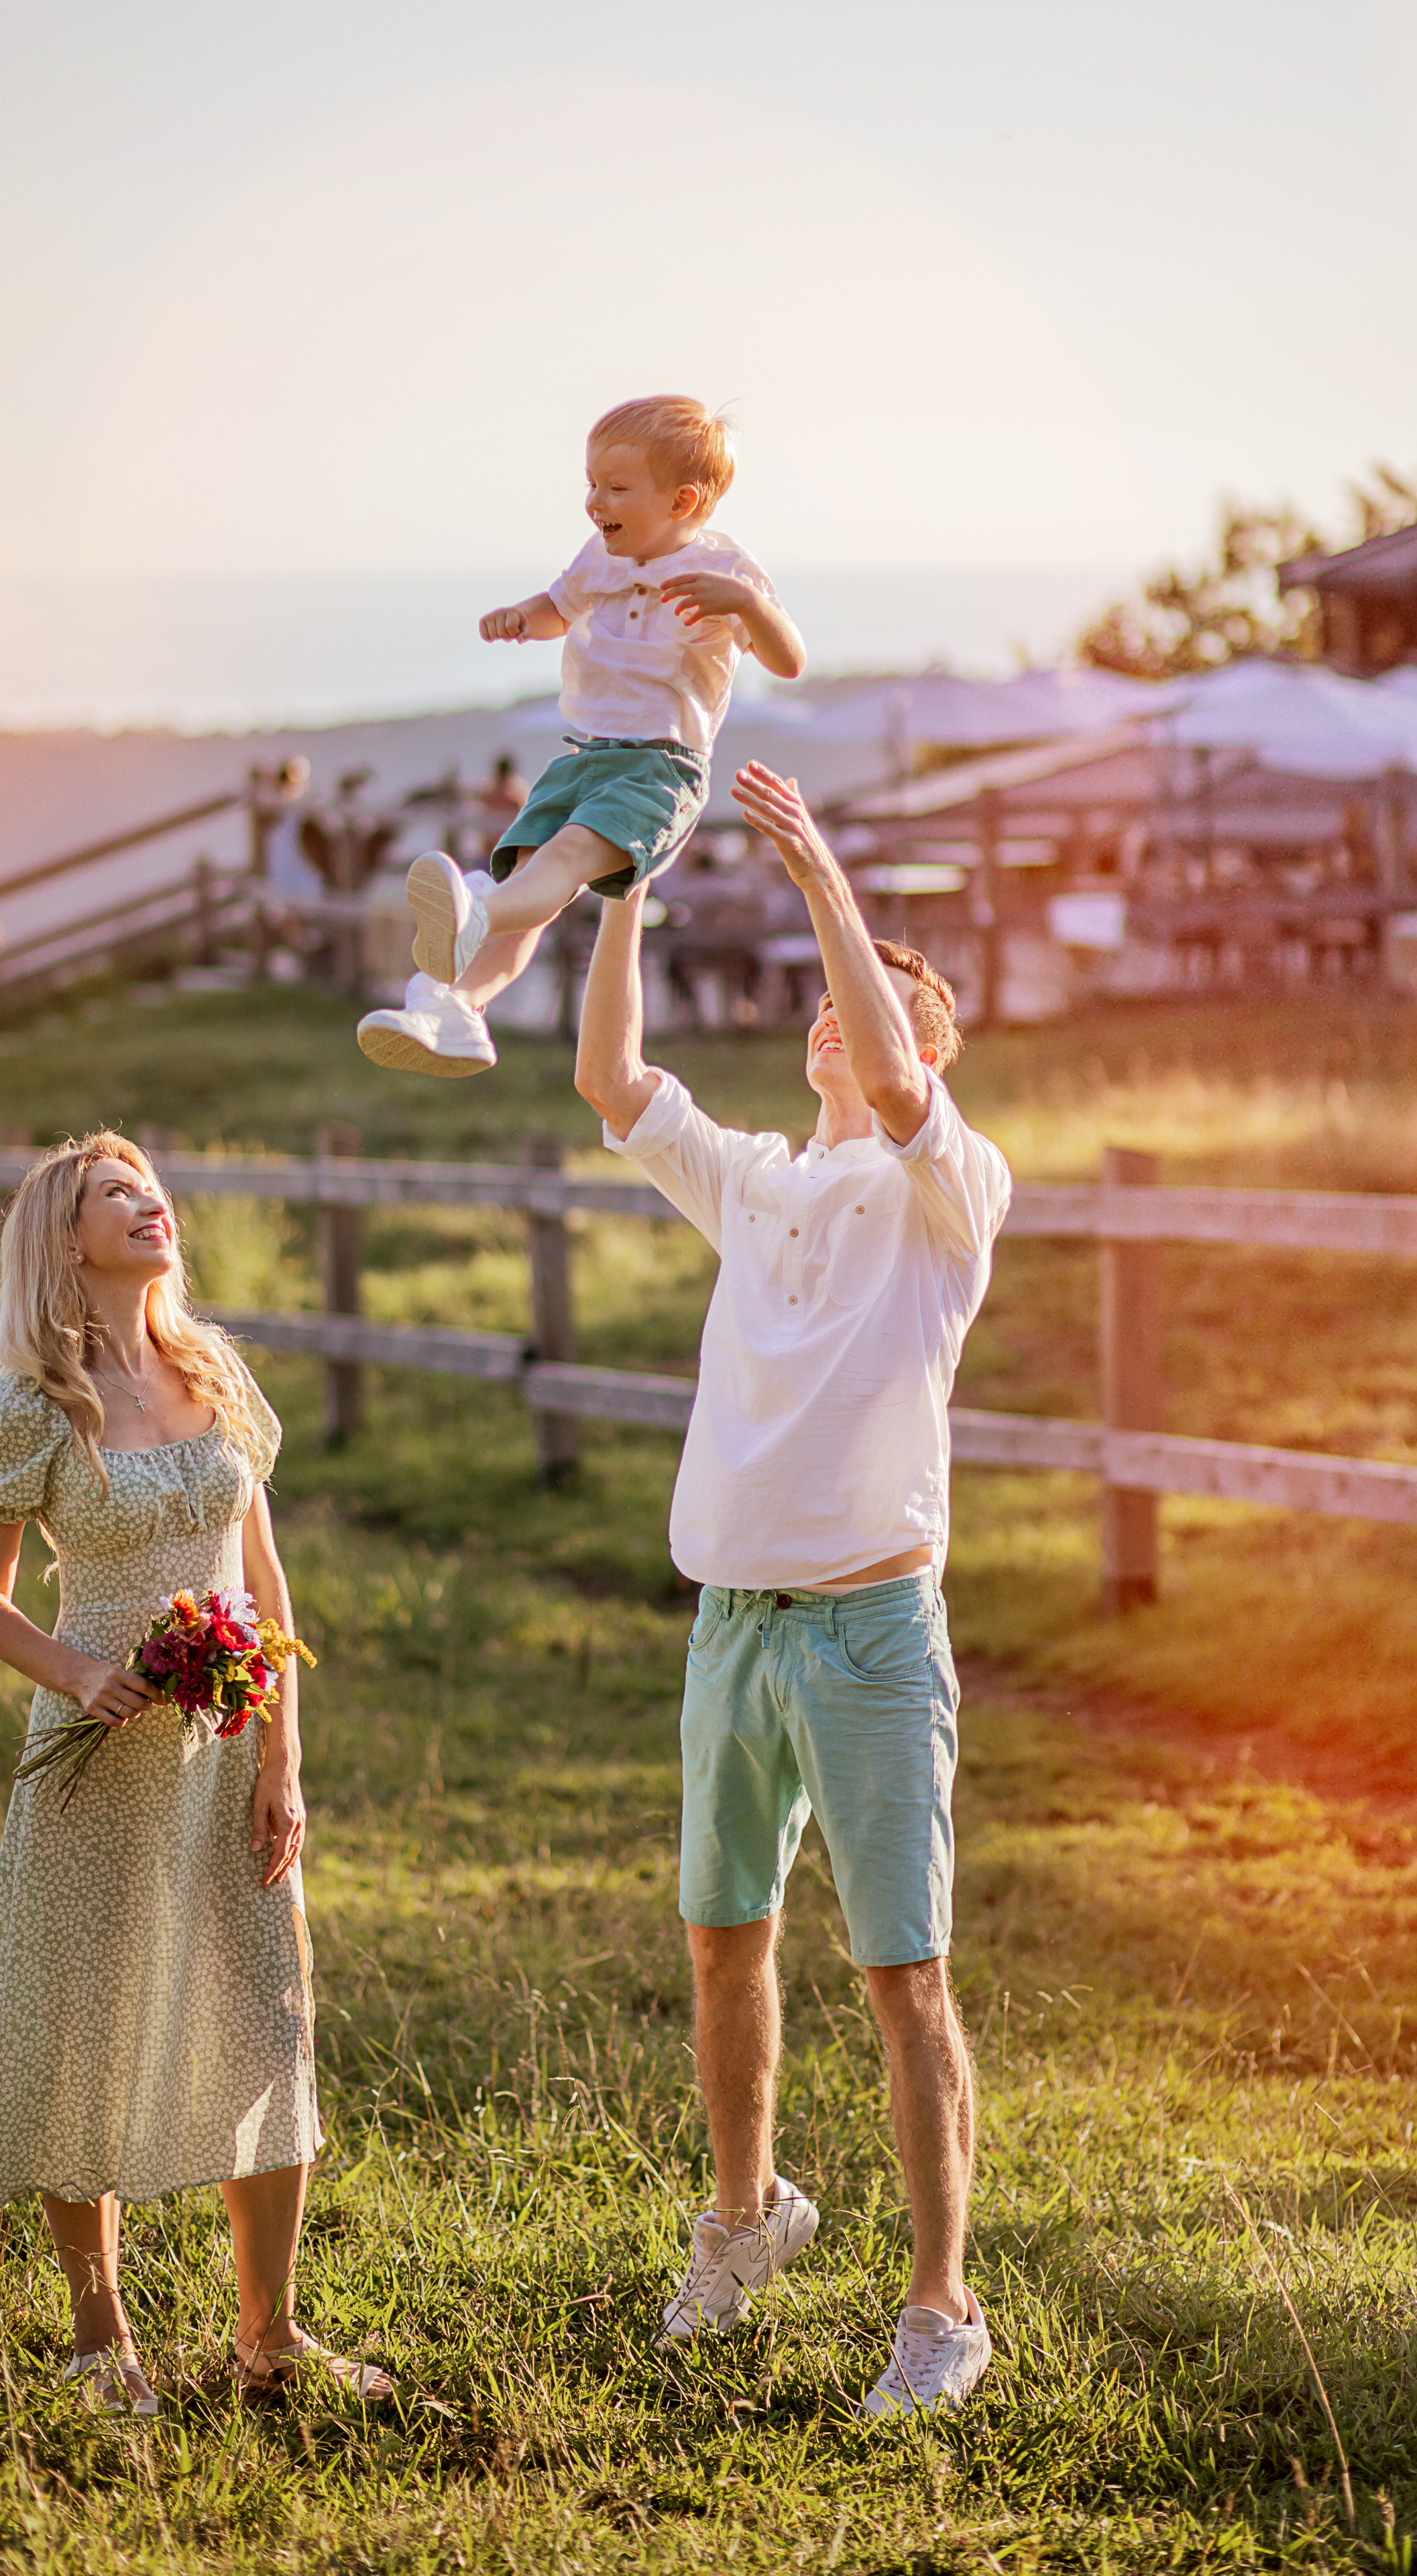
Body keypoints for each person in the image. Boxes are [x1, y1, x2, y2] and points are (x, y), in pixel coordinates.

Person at [573, 761, 1011, 2417]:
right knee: (719, 1941)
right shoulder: (756, 1177)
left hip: (868, 1626)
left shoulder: (946, 1186)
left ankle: (939, 2310)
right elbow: (609, 1076)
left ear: (927, 1050)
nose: (845, 1007)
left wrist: (824, 873)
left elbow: (891, 1075)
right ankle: (745, 2219)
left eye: (881, 996)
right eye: (832, 992)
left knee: (902, 1974)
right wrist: (621, 884)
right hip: (731, 1621)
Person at [0, 1132, 390, 2410]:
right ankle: (101, 2338)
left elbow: (266, 1588)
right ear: (64, 1237)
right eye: (116, 1194)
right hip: (97, 1757)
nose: (152, 1206)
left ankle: (271, 2336)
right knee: (81, 2027)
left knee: (265, 2022)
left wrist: (282, 1761)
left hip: (226, 1752)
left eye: (153, 1190)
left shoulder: (214, 1370)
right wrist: (77, 1671)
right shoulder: (32, 1403)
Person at [356, 396, 804, 1078]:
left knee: (560, 862)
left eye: (616, 488)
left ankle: (475, 913)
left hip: (659, 768)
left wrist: (749, 605)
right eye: (591, 484)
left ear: (681, 501)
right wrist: (521, 618)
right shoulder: (600, 557)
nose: (595, 502)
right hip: (585, 756)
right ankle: (459, 1010)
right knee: (532, 889)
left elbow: (788, 661)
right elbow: (558, 608)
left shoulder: (728, 573)